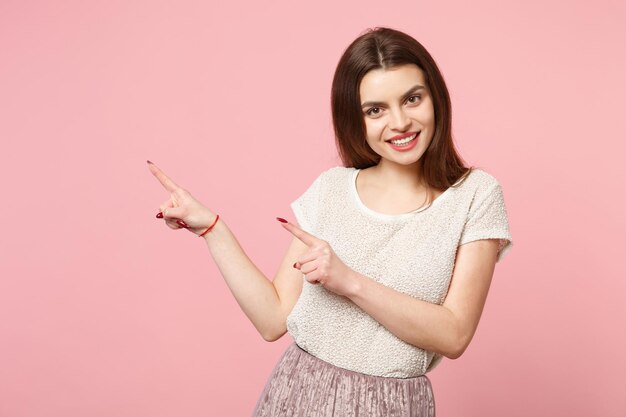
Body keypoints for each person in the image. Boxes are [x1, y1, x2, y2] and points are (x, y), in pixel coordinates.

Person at [147, 27, 513, 417]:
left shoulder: (475, 195)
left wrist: (349, 281)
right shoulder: (332, 189)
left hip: (393, 405)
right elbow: (273, 319)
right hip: (296, 394)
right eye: (375, 110)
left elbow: (455, 335)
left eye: (412, 99)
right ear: (355, 119)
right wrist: (211, 228)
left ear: (435, 98)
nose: (400, 122)